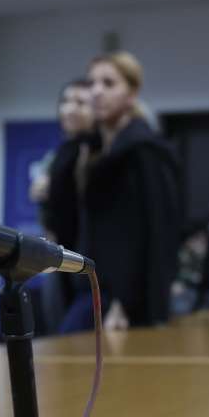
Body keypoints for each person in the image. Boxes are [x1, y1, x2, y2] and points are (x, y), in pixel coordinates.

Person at [58, 51, 181, 331]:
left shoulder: (144, 150)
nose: (97, 91)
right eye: (92, 83)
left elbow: (157, 230)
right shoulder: (92, 150)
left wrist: (125, 301)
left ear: (131, 94)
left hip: (124, 298)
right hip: (90, 282)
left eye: (108, 83)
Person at [29, 79, 96, 335]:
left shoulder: (94, 150)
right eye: (66, 102)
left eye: (80, 103)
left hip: (86, 259)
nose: (70, 109)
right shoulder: (62, 152)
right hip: (59, 256)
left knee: (74, 332)